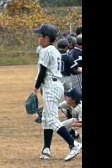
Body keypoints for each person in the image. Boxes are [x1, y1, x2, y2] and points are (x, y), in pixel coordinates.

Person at [31, 24, 79, 161]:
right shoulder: (51, 49)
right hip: (53, 85)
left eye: (40, 36)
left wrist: (35, 88)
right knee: (46, 118)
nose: (38, 38)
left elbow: (42, 72)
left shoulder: (47, 51)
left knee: (51, 119)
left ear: (46, 38)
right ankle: (46, 149)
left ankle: (74, 144)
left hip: (51, 85)